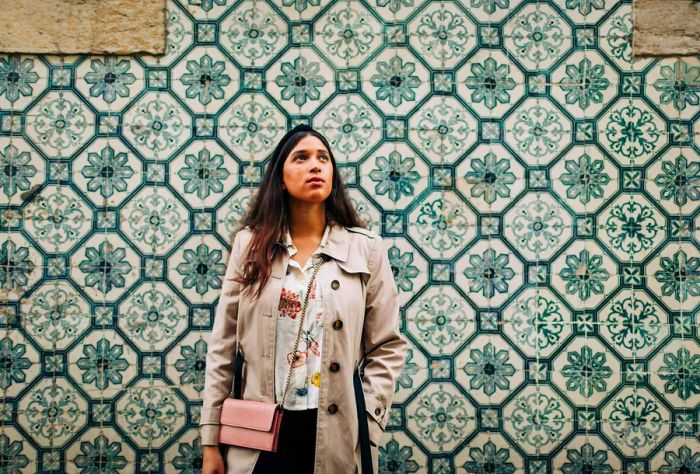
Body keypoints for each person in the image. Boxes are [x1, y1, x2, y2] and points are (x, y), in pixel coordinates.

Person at [200, 124, 408, 474]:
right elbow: (223, 346)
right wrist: (211, 441)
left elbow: (386, 346)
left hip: (335, 434)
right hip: (258, 435)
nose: (316, 165)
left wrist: (366, 421)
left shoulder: (366, 249)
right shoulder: (250, 247)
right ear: (280, 179)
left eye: (323, 158)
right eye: (302, 158)